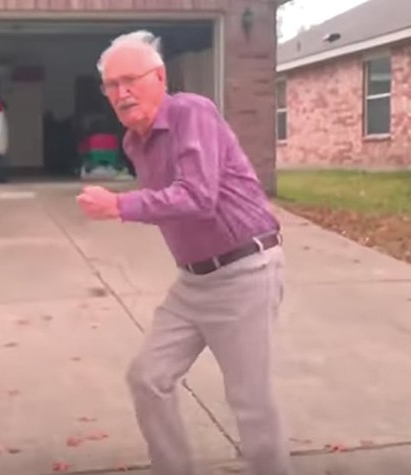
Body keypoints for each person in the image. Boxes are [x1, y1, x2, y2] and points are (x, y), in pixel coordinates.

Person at [76, 30, 292, 475]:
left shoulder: (192, 112)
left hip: (245, 270)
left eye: (131, 79)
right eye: (112, 85)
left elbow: (197, 197)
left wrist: (120, 205)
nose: (123, 92)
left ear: (160, 77)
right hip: (194, 282)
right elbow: (174, 208)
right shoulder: (134, 143)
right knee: (149, 378)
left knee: (249, 400)